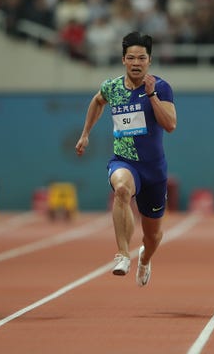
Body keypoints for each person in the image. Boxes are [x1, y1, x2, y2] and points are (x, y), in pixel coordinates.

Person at [75, 31, 177, 287]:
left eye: (141, 58)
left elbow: (171, 124)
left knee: (152, 237)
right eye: (131, 57)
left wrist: (152, 95)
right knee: (121, 190)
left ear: (149, 60)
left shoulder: (161, 87)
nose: (136, 63)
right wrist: (85, 133)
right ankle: (122, 254)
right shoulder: (112, 87)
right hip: (124, 161)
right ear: (123, 60)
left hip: (153, 170)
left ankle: (144, 258)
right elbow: (98, 101)